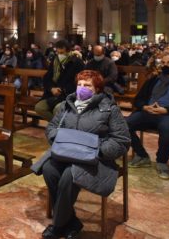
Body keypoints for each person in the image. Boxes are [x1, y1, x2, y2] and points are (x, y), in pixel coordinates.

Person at [32, 70, 130, 239]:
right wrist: (60, 138)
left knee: (69, 176)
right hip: (67, 153)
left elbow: (121, 140)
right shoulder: (67, 104)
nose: (81, 88)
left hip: (95, 158)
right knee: (48, 169)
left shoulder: (108, 109)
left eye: (87, 85)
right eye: (79, 84)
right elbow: (51, 128)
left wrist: (96, 149)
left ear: (97, 89)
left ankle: (58, 225)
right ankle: (72, 223)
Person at [125, 54, 169, 179]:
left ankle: (161, 162)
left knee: (168, 127)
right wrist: (144, 107)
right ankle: (142, 155)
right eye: (163, 62)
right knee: (123, 124)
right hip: (148, 112)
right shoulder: (153, 80)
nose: (165, 65)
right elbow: (138, 99)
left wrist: (166, 110)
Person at [35, 40, 84, 121]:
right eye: (58, 51)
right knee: (39, 108)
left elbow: (79, 82)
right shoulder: (55, 61)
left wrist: (63, 90)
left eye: (62, 52)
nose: (59, 54)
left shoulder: (77, 62)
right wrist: (51, 88)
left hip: (68, 95)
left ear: (68, 50)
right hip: (52, 94)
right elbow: (47, 77)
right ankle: (58, 125)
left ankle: (58, 127)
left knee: (57, 109)